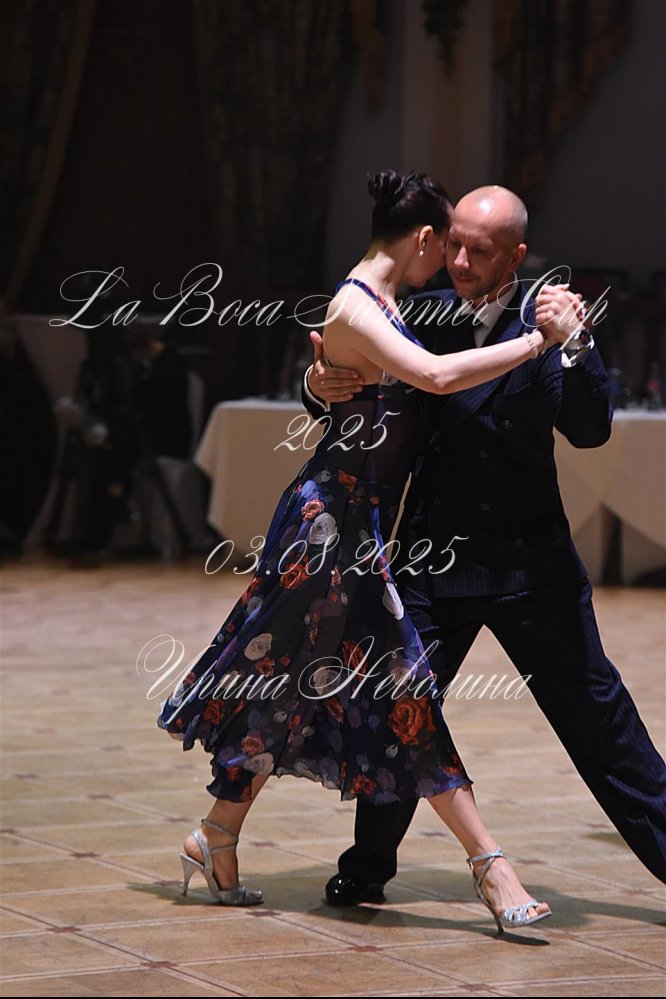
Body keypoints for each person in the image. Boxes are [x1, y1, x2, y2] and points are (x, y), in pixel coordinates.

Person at [155, 170, 577, 934]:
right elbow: (435, 377)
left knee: (284, 683)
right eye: (445, 245)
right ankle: (491, 863)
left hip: (357, 524)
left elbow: (374, 382)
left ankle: (215, 834)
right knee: (397, 686)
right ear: (424, 238)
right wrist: (537, 341)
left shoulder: (385, 303)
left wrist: (321, 380)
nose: (449, 261)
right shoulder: (357, 302)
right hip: (328, 527)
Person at [302, 183, 666, 907]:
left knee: (600, 719)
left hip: (531, 566)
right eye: (455, 244)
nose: (461, 261)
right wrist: (317, 381)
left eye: (481, 250)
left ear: (517, 256)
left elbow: (590, 428)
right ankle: (368, 866)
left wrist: (577, 340)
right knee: (402, 708)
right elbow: (347, 380)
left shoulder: (547, 316)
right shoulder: (418, 311)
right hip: (433, 561)